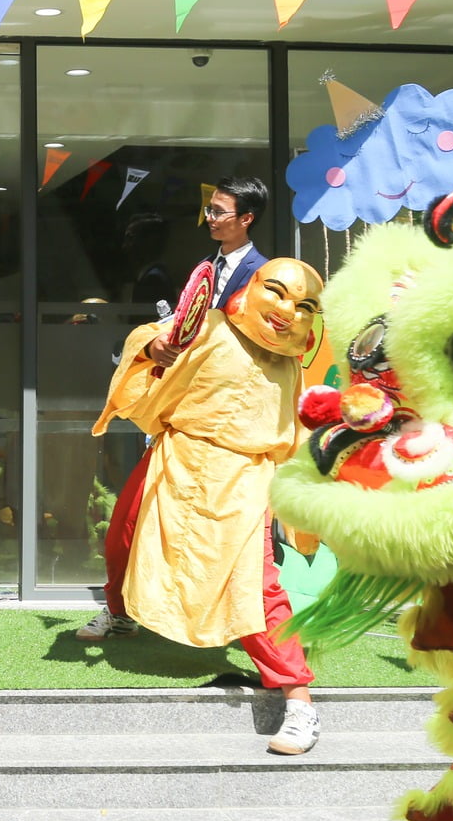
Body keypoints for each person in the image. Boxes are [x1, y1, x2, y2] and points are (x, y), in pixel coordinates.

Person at [78, 256, 327, 755]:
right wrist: (155, 347)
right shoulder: (211, 325)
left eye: (304, 306)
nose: (287, 311)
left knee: (255, 589)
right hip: (177, 455)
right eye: (277, 293)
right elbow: (151, 340)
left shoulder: (292, 366)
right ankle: (121, 613)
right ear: (252, 289)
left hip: (243, 479)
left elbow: (298, 435)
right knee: (123, 536)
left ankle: (299, 701)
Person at [144, 176, 269, 370]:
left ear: (245, 219)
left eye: (218, 212)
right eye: (209, 209)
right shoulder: (205, 265)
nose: (209, 218)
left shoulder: (262, 271)